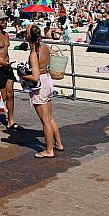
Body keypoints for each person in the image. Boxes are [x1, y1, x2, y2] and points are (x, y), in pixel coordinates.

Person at [18, 24, 63, 158]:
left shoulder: (33, 54)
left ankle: (49, 150)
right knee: (49, 117)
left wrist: (22, 75)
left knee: (45, 120)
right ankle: (58, 143)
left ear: (29, 36)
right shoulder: (44, 46)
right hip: (48, 80)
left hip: (40, 85)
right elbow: (55, 54)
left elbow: (35, 77)